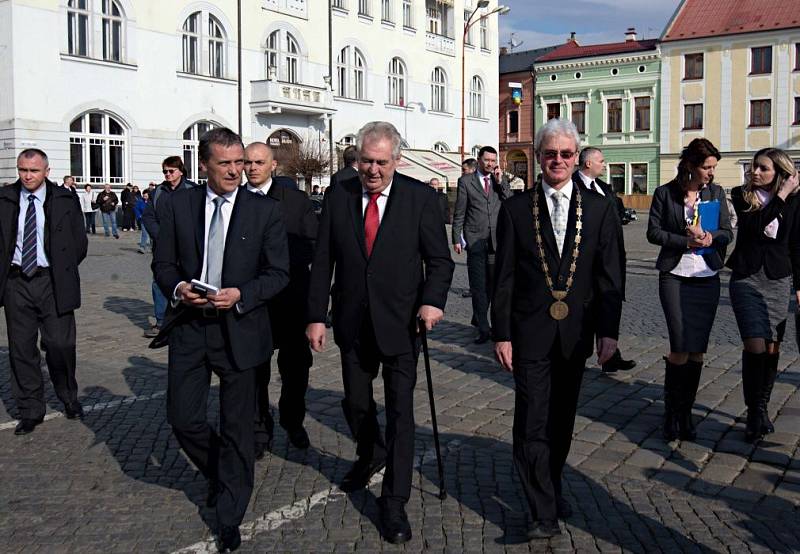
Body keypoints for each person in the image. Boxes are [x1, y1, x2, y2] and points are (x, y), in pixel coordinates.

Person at [306, 121, 454, 545]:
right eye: (365, 161)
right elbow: (324, 260)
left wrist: (433, 300)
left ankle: (394, 502)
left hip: (402, 323)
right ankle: (370, 451)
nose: (371, 170)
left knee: (400, 413)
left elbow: (440, 262)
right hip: (352, 321)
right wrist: (316, 315)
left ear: (397, 160)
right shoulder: (340, 196)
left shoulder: (421, 198)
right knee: (354, 402)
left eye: (380, 163)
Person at [151, 128, 289, 552]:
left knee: (237, 428)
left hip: (241, 329)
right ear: (205, 165)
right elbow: (164, 261)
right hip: (191, 327)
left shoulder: (263, 211)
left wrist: (242, 294)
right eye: (226, 163)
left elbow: (278, 273)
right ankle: (220, 472)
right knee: (183, 418)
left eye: (241, 163)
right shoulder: (179, 203)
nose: (236, 171)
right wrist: (177, 288)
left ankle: (230, 514)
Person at [492, 119, 622, 540]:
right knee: (531, 419)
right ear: (538, 157)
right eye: (551, 154)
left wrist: (609, 334)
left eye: (567, 154)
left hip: (575, 335)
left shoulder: (601, 208)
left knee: (562, 420)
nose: (559, 161)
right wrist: (501, 333)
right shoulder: (515, 209)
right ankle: (541, 509)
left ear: (576, 157)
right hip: (529, 332)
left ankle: (551, 483)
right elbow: (505, 278)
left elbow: (609, 277)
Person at [647, 138, 733, 442]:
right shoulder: (665, 193)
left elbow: (727, 232)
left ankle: (686, 413)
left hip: (707, 276)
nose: (711, 173)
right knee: (680, 343)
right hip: (674, 275)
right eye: (706, 167)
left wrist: (709, 238)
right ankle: (671, 413)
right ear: (691, 166)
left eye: (713, 168)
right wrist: (685, 241)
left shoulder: (717, 193)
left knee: (698, 348)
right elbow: (653, 232)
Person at [0, 149, 88, 434]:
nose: (28, 176)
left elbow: (79, 243)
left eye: (34, 171)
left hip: (52, 281)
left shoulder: (64, 198)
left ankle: (67, 395)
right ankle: (30, 409)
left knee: (61, 345)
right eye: (23, 170)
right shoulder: (5, 198)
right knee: (21, 350)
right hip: (16, 282)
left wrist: (61, 267)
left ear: (46, 171)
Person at [244, 141, 318, 457]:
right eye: (247, 162)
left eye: (259, 162)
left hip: (290, 299)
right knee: (254, 369)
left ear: (273, 165)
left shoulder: (295, 201)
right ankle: (260, 429)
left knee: (296, 369)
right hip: (252, 301)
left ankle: (292, 419)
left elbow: (311, 245)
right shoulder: (236, 200)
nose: (251, 168)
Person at [726, 148, 800, 442]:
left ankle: (762, 407)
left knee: (772, 348)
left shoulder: (796, 202)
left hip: (778, 280)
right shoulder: (741, 196)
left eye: (763, 168)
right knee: (755, 345)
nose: (755, 172)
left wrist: (798, 286)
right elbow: (755, 227)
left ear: (779, 173)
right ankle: (754, 412)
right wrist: (781, 196)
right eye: (754, 167)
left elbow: (796, 245)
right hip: (746, 278)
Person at [573, 147, 636, 373]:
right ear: (588, 163)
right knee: (588, 310)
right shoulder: (572, 187)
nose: (604, 164)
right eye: (601, 160)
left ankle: (610, 355)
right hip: (584, 263)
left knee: (609, 302)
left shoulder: (605, 189)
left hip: (610, 258)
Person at [451, 146, 512, 343]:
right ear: (479, 160)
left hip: (496, 241)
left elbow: (509, 202)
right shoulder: (465, 181)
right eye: (487, 160)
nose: (490, 164)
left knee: (494, 286)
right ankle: (484, 329)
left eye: (493, 161)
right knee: (478, 286)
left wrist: (500, 181)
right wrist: (456, 238)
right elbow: (460, 212)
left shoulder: (499, 181)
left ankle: (483, 319)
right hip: (475, 240)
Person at [141, 156, 197, 338]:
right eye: (165, 171)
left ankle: (187, 319)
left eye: (171, 171)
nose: (167, 174)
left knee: (189, 280)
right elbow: (148, 217)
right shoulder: (158, 191)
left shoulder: (193, 190)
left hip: (187, 246)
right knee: (159, 282)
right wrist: (162, 237)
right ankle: (161, 322)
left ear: (180, 171)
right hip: (162, 246)